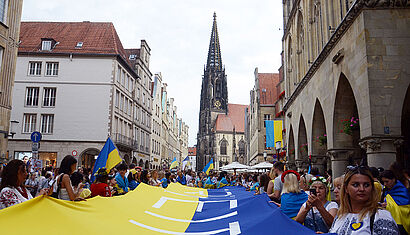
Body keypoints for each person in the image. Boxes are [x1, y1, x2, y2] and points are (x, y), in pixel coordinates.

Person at [329, 166, 399, 234]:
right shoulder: (340, 215)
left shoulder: (381, 216)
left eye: (366, 185)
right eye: (356, 185)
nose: (362, 189)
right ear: (346, 188)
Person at [380, 170, 410, 234]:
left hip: (402, 222)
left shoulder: (402, 190)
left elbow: (406, 208)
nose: (385, 184)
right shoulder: (386, 190)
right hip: (390, 221)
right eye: (383, 182)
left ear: (393, 179)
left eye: (387, 181)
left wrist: (387, 206)